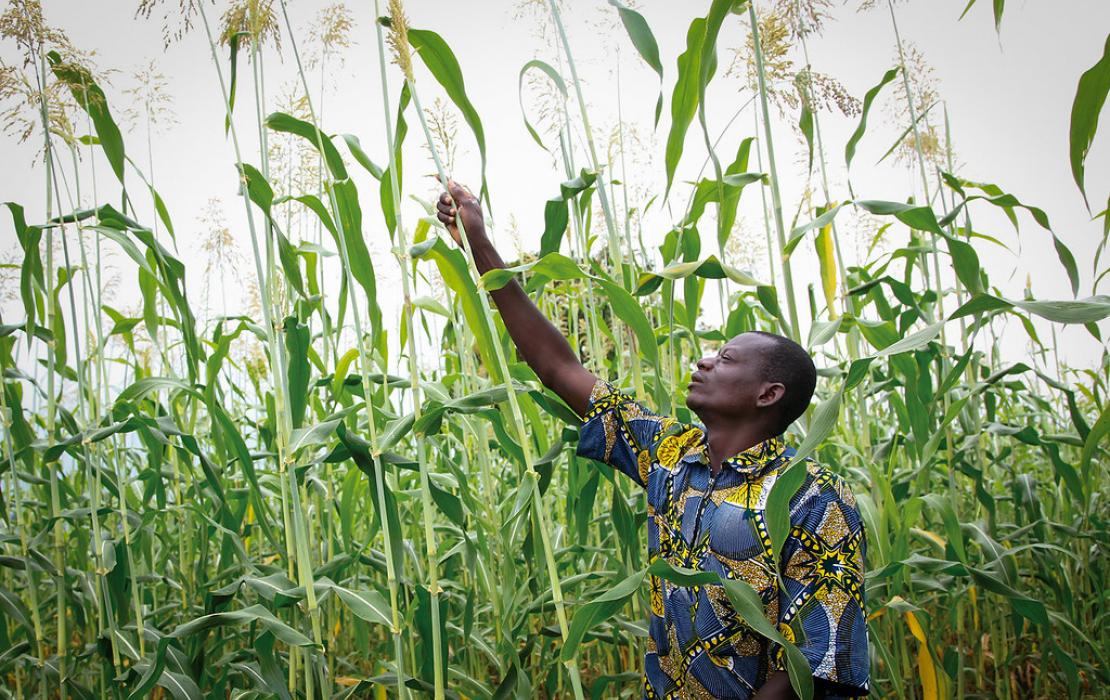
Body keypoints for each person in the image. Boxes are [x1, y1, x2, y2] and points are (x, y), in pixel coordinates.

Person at [437, 182, 870, 700]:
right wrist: (481, 246)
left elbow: (824, 659)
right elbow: (558, 367)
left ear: (768, 393)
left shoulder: (812, 495)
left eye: (727, 359)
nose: (705, 360)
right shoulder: (670, 458)